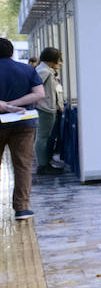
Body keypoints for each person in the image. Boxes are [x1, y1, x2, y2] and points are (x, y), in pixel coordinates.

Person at [0, 39, 46, 220]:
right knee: (23, 165)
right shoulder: (28, 70)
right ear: (12, 52)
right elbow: (39, 94)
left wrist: (5, 105)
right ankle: (22, 208)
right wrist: (13, 105)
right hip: (23, 123)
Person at [34, 48, 64, 174]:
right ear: (52, 60)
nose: (60, 62)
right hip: (45, 109)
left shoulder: (45, 70)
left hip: (47, 108)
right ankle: (42, 165)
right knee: (42, 137)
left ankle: (45, 162)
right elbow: (35, 88)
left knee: (44, 137)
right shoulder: (44, 71)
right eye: (59, 59)